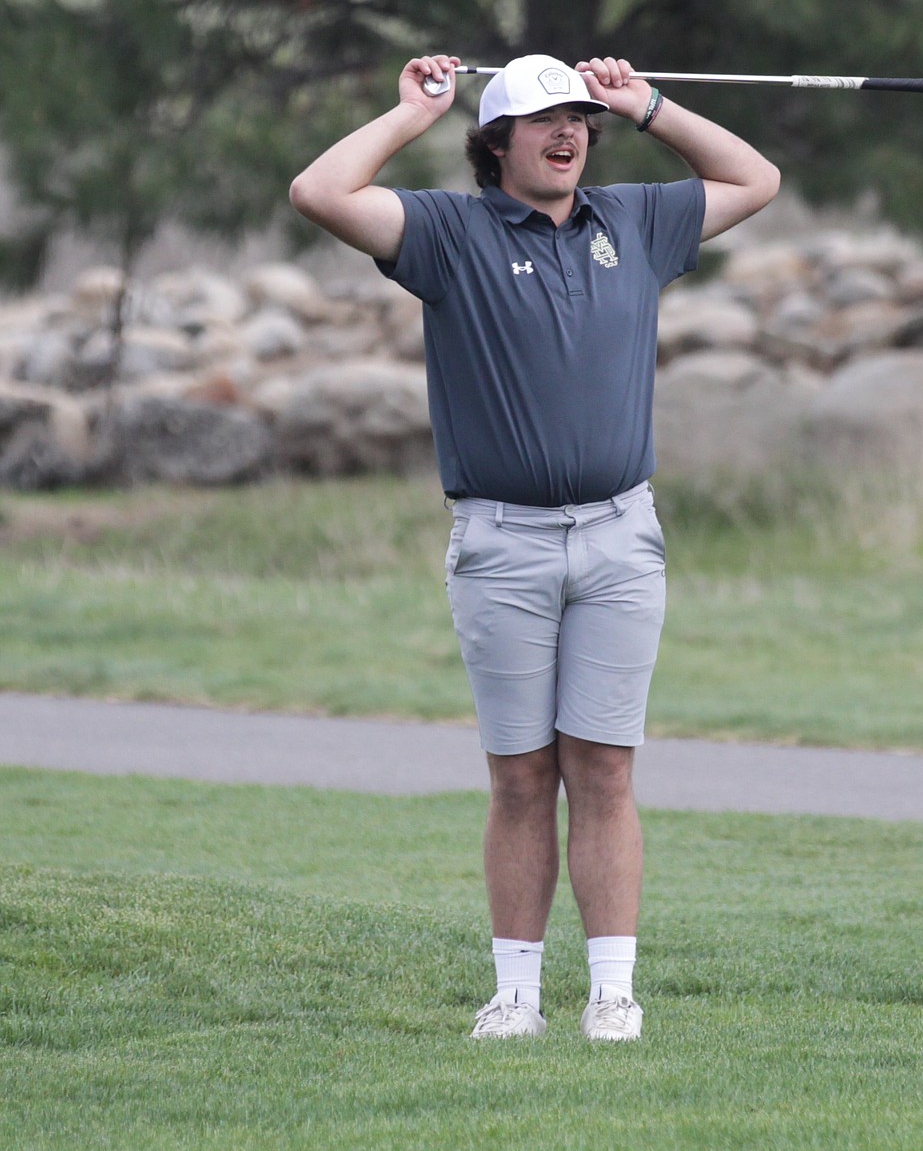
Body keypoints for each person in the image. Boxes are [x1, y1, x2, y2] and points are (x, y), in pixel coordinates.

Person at [289, 51, 779, 1041]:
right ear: (496, 141)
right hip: (502, 542)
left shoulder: (635, 221)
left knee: (604, 769)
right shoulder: (447, 232)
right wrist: (410, 112)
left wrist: (646, 104)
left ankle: (613, 993)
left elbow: (754, 179)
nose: (567, 134)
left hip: (619, 535)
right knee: (521, 775)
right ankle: (516, 994)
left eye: (578, 121)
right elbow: (320, 190)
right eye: (543, 120)